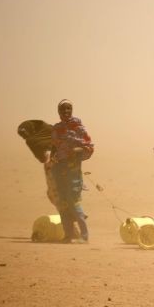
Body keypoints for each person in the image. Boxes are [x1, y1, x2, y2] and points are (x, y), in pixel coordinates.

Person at [51, 100, 94, 243]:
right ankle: (68, 235)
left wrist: (77, 150)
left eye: (68, 109)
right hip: (59, 170)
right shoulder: (56, 129)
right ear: (58, 111)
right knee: (62, 202)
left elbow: (89, 147)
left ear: (72, 110)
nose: (66, 112)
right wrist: (53, 161)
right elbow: (54, 149)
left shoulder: (79, 128)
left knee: (73, 201)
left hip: (73, 169)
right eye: (63, 109)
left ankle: (84, 235)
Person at [17, 120, 59, 208]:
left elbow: (43, 159)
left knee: (54, 194)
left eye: (24, 135)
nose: (24, 138)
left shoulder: (31, 141)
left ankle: (69, 217)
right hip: (70, 162)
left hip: (53, 166)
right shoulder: (51, 128)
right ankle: (76, 214)